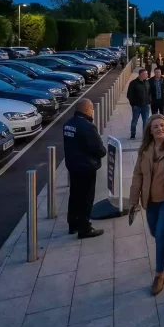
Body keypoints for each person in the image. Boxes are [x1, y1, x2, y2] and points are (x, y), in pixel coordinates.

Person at [128, 115, 164, 295]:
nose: (160, 129)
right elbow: (137, 176)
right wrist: (133, 201)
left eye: (163, 125)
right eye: (156, 126)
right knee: (154, 232)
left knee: (159, 235)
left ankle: (159, 275)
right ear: (150, 130)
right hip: (149, 200)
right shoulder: (145, 150)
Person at [63, 98, 106, 238]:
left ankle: (73, 224)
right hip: (86, 167)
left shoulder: (69, 124)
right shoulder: (87, 126)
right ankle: (85, 228)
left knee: (74, 196)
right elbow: (98, 148)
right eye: (92, 109)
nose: (93, 111)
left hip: (73, 166)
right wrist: (102, 152)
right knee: (86, 198)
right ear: (87, 110)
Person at [127, 68, 152, 139]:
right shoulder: (133, 83)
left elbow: (149, 92)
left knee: (146, 121)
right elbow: (129, 95)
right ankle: (133, 134)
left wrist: (149, 101)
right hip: (136, 107)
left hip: (146, 106)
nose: (147, 75)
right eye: (145, 74)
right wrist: (133, 105)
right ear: (141, 74)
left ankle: (145, 136)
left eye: (147, 73)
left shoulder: (147, 82)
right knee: (134, 121)